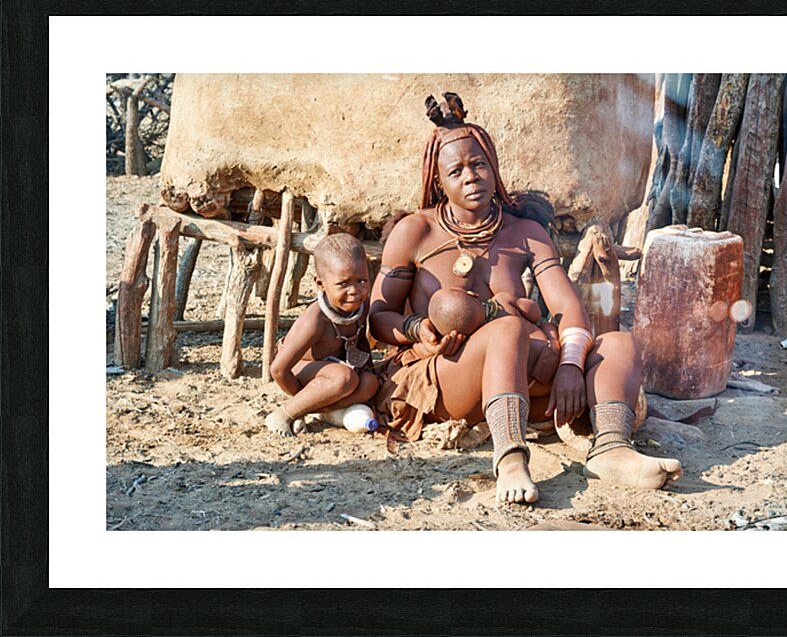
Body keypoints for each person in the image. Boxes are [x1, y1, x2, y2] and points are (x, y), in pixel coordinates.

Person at [370, 93, 681, 503]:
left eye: (479, 165)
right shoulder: (415, 232)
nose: (471, 177)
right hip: (448, 376)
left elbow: (567, 307)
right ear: (437, 181)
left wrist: (571, 365)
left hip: (522, 376)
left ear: (494, 169)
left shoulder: (524, 233)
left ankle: (611, 448)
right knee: (510, 328)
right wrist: (416, 328)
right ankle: (511, 457)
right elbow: (378, 316)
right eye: (456, 170)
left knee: (618, 343)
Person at [265, 233, 379, 437]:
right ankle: (285, 413)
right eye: (343, 284)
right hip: (300, 371)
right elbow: (279, 369)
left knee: (370, 383)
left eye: (362, 280)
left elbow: (360, 340)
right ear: (320, 284)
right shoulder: (315, 320)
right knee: (344, 378)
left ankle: (321, 411)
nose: (354, 291)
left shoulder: (362, 306)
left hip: (336, 369)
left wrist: (368, 371)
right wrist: (298, 398)